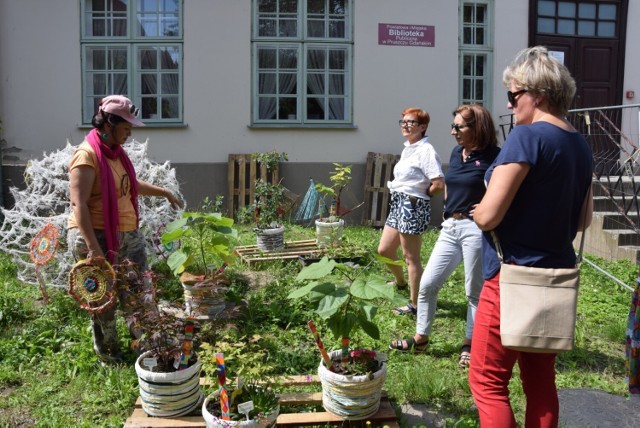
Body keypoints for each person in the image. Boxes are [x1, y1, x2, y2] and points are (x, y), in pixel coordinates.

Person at [469, 46, 593, 427]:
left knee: (488, 383)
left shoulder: (526, 137)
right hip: (553, 279)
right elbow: (583, 220)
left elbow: (489, 216)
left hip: (510, 278)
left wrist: (478, 211)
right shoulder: (580, 145)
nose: (509, 105)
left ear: (537, 95)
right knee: (540, 382)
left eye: (513, 95)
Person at [67, 95, 183, 365]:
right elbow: (79, 204)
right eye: (127, 127)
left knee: (139, 292)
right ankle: (109, 355)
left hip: (127, 234)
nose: (130, 132)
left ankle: (146, 346)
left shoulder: (117, 154)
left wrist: (164, 192)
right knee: (103, 300)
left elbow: (129, 183)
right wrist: (95, 250)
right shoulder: (86, 155)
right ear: (109, 123)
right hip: (94, 236)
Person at [389, 105, 500, 368]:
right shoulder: (456, 152)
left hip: (475, 229)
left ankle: (470, 343)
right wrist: (449, 210)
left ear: (477, 128)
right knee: (427, 285)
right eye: (453, 126)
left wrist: (486, 211)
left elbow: (504, 190)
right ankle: (421, 338)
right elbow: (447, 183)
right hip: (450, 228)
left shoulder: (495, 155)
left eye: (458, 127)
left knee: (473, 292)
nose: (452, 132)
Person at [378, 107, 444, 316]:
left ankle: (415, 306)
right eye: (403, 122)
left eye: (411, 122)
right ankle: (400, 282)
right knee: (384, 251)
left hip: (412, 204)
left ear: (423, 127)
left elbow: (439, 183)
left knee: (410, 257)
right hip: (399, 201)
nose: (405, 125)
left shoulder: (426, 151)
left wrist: (421, 194)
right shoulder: (409, 148)